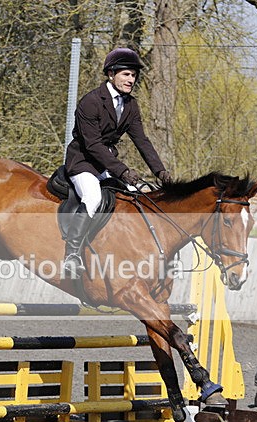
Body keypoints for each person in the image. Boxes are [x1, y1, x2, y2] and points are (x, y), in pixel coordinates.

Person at [62, 47, 171, 277]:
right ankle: (71, 255)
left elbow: (141, 140)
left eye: (134, 75)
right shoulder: (90, 102)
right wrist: (122, 171)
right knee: (93, 198)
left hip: (105, 165)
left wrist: (160, 171)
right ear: (111, 74)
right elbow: (92, 145)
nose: (131, 80)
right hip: (82, 163)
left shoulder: (130, 105)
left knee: (134, 196)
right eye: (126, 74)